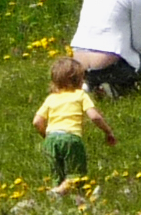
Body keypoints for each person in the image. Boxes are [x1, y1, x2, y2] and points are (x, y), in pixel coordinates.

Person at [31, 54, 114, 191]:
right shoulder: (80, 96)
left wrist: (46, 136)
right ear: (79, 80)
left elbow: (37, 121)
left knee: (57, 175)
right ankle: (61, 192)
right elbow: (94, 117)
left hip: (51, 139)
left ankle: (57, 194)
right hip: (71, 138)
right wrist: (108, 131)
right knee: (76, 174)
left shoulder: (51, 98)